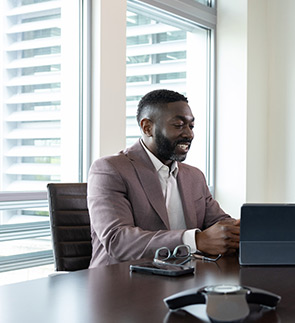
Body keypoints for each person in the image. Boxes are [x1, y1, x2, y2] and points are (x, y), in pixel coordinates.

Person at [88, 89, 239, 267]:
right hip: (121, 281)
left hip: (184, 277)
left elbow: (218, 223)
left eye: (191, 126)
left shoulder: (194, 176)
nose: (189, 134)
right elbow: (118, 240)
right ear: (147, 127)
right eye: (178, 125)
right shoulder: (110, 169)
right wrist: (195, 240)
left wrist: (246, 229)